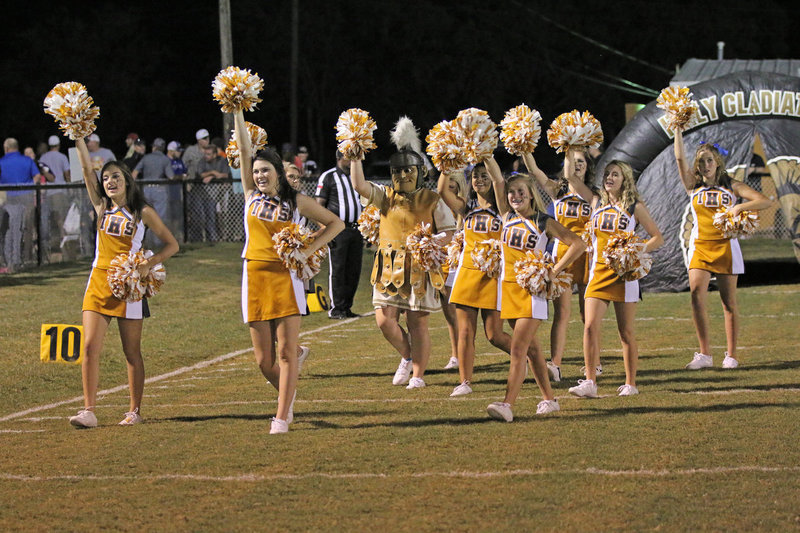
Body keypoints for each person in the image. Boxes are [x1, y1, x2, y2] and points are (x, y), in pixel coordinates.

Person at [233, 110, 343, 434]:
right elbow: (242, 149)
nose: (259, 175)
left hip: (286, 277)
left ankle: (281, 415)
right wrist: (238, 109)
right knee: (263, 360)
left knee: (283, 351)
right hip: (253, 275)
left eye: (265, 170)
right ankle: (288, 390)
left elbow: (335, 224)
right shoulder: (250, 195)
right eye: (256, 171)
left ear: (278, 172)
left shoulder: (296, 201)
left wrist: (307, 249)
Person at [68, 134, 179, 428]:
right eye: (106, 179)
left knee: (131, 352)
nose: (109, 182)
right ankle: (89, 411)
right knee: (89, 347)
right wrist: (78, 136)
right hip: (98, 281)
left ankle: (135, 411)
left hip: (129, 287)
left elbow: (172, 245)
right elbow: (84, 167)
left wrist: (148, 264)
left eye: (115, 176)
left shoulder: (142, 212)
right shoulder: (101, 206)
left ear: (127, 180)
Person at [348, 117, 456, 389]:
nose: (403, 176)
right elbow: (359, 185)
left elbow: (450, 232)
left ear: (420, 172)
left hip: (419, 269)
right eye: (398, 171)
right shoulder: (385, 196)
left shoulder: (433, 199)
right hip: (387, 266)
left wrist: (431, 243)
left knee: (418, 323)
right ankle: (407, 357)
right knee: (384, 321)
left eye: (409, 170)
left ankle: (418, 375)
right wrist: (356, 154)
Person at [485, 158, 585, 421]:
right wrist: (485, 153)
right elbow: (496, 179)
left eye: (521, 191)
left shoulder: (542, 221)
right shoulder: (506, 216)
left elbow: (577, 244)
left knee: (518, 350)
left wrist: (553, 270)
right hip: (507, 291)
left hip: (532, 293)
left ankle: (507, 404)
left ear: (530, 195)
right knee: (533, 351)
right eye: (512, 192)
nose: (516, 196)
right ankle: (549, 399)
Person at [673, 131, 772, 370]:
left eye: (709, 160)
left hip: (726, 248)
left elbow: (764, 201)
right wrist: (677, 130)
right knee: (696, 295)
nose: (705, 165)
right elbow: (679, 159)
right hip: (701, 247)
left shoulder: (731, 185)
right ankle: (705, 354)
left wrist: (739, 209)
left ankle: (731, 355)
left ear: (717, 162)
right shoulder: (693, 186)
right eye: (701, 161)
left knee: (728, 303)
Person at [568, 159, 663, 398]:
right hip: (598, 273)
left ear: (625, 180)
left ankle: (630, 383)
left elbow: (657, 237)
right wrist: (569, 147)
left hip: (624, 275)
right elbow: (571, 177)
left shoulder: (634, 206)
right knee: (590, 327)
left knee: (626, 332)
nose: (609, 177)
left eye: (616, 175)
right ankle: (590, 381)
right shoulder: (596, 201)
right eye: (607, 174)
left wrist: (635, 251)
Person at [526, 148, 596, 381]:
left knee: (589, 316)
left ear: (588, 167)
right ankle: (555, 365)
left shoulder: (593, 195)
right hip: (562, 259)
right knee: (562, 314)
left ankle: (593, 363)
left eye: (581, 163)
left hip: (586, 257)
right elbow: (535, 171)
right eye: (573, 162)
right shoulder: (559, 191)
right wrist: (524, 148)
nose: (577, 166)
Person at [315, 151, 363, 318]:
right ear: (339, 157)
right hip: (338, 230)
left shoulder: (356, 177)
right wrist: (325, 231)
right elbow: (318, 207)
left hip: (357, 229)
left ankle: (346, 307)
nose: (351, 161)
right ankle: (336, 308)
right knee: (338, 269)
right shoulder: (328, 177)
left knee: (353, 270)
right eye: (348, 157)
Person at [437, 171, 466, 372]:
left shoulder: (463, 210)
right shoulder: (437, 210)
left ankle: (461, 354)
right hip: (443, 263)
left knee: (460, 314)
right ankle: (455, 355)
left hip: (461, 264)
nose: (448, 193)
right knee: (448, 313)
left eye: (452, 188)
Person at [0, 138, 41, 272]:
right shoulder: (27, 161)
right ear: (17, 147)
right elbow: (37, 177)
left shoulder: (2, 162)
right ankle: (22, 259)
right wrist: (28, 188)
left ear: (6, 148)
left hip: (8, 200)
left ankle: (9, 260)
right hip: (26, 198)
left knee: (8, 231)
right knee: (24, 230)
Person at [132, 138, 174, 241]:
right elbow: (171, 177)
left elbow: (134, 174)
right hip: (159, 189)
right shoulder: (165, 159)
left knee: (145, 217)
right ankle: (157, 243)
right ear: (163, 148)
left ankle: (146, 242)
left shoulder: (146, 158)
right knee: (159, 218)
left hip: (146, 189)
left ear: (154, 147)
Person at [39, 135, 72, 261]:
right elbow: (67, 174)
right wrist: (70, 188)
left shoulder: (43, 157)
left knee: (52, 221)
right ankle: (64, 247)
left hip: (48, 193)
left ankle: (53, 247)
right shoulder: (62, 157)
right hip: (60, 191)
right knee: (61, 219)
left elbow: (44, 174)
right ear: (58, 145)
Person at [192, 144, 230, 244]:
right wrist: (213, 172)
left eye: (208, 154)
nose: (206, 156)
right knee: (204, 217)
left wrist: (212, 177)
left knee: (214, 216)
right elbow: (201, 174)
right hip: (204, 193)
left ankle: (215, 238)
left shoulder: (222, 161)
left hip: (219, 192)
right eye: (205, 154)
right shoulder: (202, 161)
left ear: (214, 155)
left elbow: (225, 174)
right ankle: (204, 239)